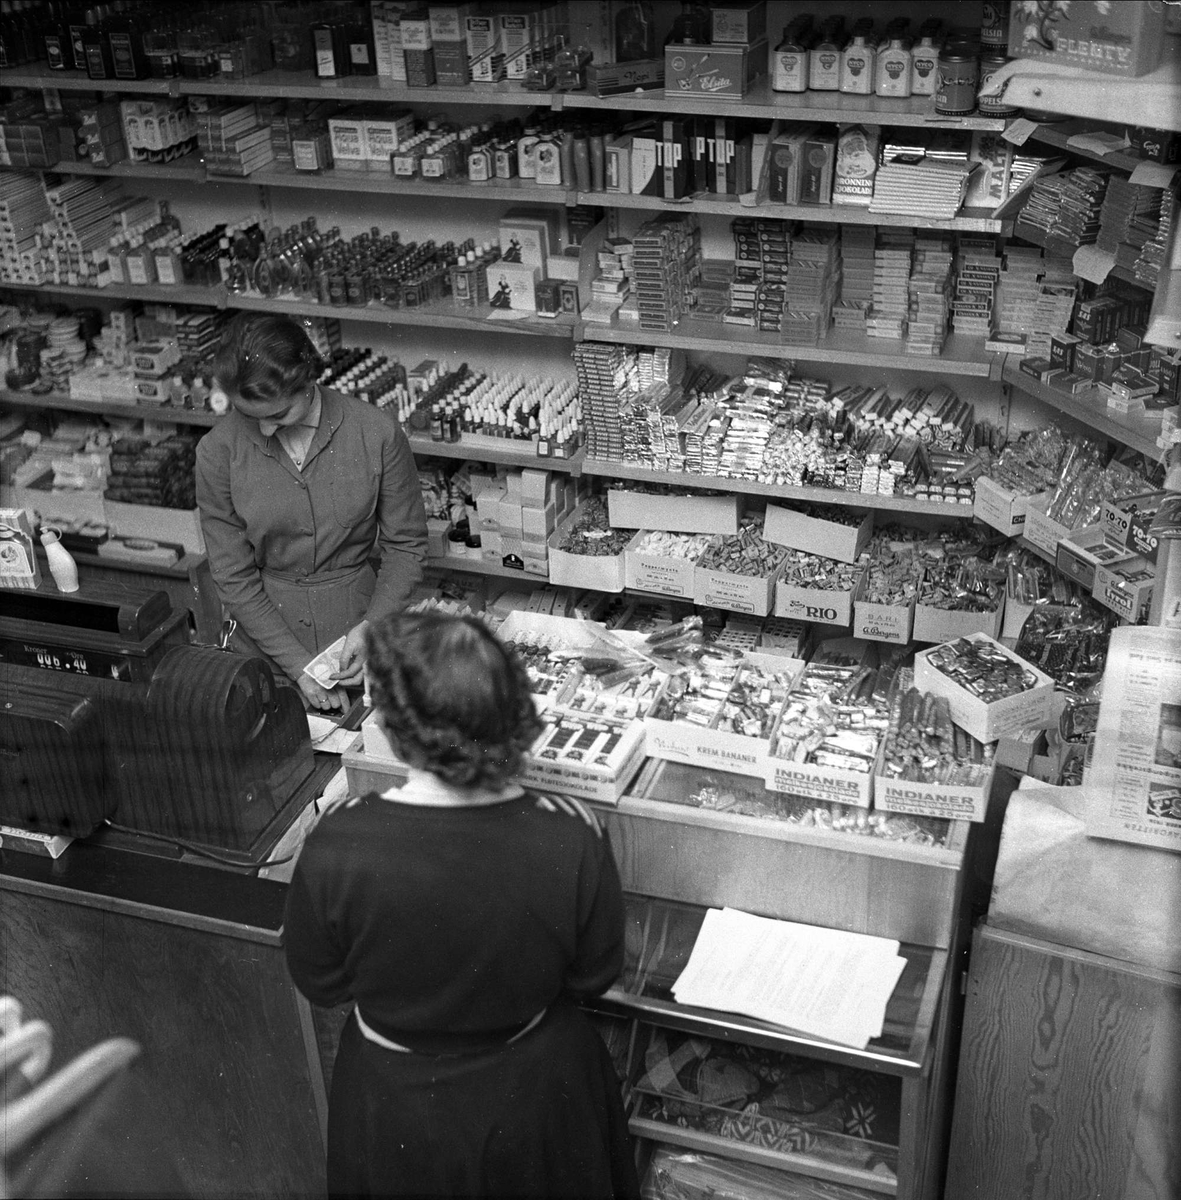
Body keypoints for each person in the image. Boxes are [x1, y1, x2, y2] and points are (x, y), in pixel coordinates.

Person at [283, 612, 640, 1200]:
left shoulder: (339, 838)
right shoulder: (571, 833)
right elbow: (595, 975)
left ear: (396, 729)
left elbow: (321, 982)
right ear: (512, 717)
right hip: (536, 1099)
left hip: (393, 1107)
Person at [195, 314, 428, 713]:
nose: (265, 431)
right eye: (250, 417)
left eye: (279, 415)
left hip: (357, 637)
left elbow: (406, 545)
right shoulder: (218, 452)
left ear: (308, 381)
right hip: (265, 641)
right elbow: (233, 574)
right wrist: (299, 667)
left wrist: (373, 626)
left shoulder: (376, 432)